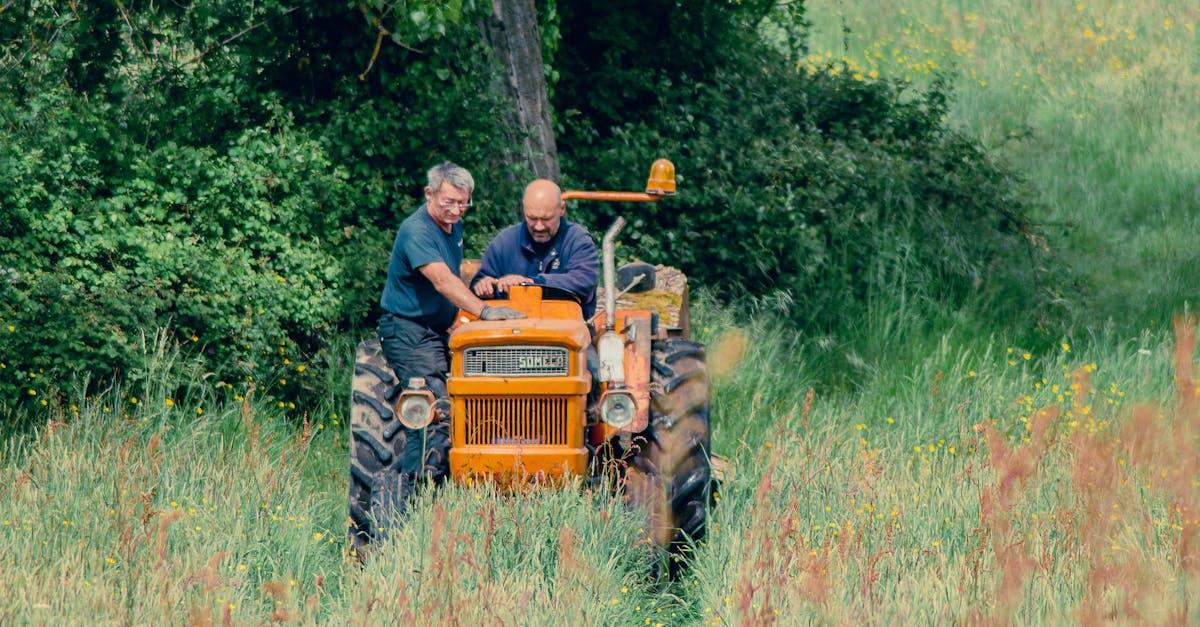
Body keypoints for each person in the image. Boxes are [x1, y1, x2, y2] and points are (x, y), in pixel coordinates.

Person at [378, 161, 524, 410]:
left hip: (438, 326)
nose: (457, 211)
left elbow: (457, 273)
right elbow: (443, 280)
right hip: (409, 331)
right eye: (449, 202)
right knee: (432, 409)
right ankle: (424, 450)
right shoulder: (417, 231)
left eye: (463, 202)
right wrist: (485, 312)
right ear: (429, 194)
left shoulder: (454, 225)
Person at [470, 179, 599, 318]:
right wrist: (483, 287)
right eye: (532, 218)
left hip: (566, 330)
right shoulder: (504, 242)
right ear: (524, 210)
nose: (539, 226)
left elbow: (584, 283)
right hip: (512, 330)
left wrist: (531, 283)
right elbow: (479, 284)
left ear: (562, 209)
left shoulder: (578, 241)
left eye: (546, 219)